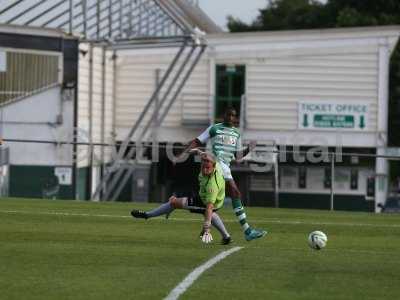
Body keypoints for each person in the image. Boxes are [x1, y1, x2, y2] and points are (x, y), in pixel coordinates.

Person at [176, 107, 267, 241]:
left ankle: (214, 227)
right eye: (229, 115)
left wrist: (249, 148)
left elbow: (238, 156)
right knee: (234, 193)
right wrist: (182, 154)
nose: (231, 117)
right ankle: (247, 231)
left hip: (226, 166)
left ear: (235, 118)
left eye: (233, 115)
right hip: (217, 163)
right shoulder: (214, 128)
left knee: (222, 198)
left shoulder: (236, 133)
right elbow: (197, 141)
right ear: (224, 115)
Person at [131, 151, 231, 245]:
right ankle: (226, 237)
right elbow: (206, 155)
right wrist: (197, 151)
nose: (205, 169)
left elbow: (209, 207)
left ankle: (147, 215)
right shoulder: (214, 164)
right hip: (211, 198)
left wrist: (207, 228)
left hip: (207, 202)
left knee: (175, 203)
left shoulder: (212, 185)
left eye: (207, 167)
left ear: (213, 167)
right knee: (207, 212)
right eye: (203, 164)